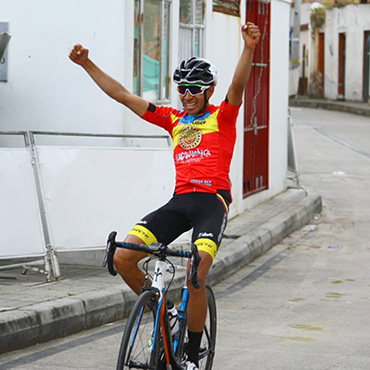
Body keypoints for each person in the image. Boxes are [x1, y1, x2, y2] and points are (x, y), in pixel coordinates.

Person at [69, 22, 260, 370]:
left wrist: (248, 47)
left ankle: (189, 354)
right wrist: (87, 64)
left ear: (208, 91)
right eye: (182, 88)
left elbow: (238, 84)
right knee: (124, 257)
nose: (186, 94)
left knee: (195, 272)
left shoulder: (223, 117)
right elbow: (124, 96)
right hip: (180, 201)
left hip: (211, 203)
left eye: (194, 88)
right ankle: (167, 312)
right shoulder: (173, 118)